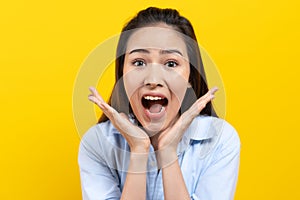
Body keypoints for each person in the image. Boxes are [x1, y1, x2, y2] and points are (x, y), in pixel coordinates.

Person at [78, 7, 240, 200]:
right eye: (139, 62)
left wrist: (168, 152)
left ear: (190, 76)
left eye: (171, 63)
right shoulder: (97, 143)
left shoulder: (219, 140)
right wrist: (139, 150)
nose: (153, 79)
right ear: (122, 74)